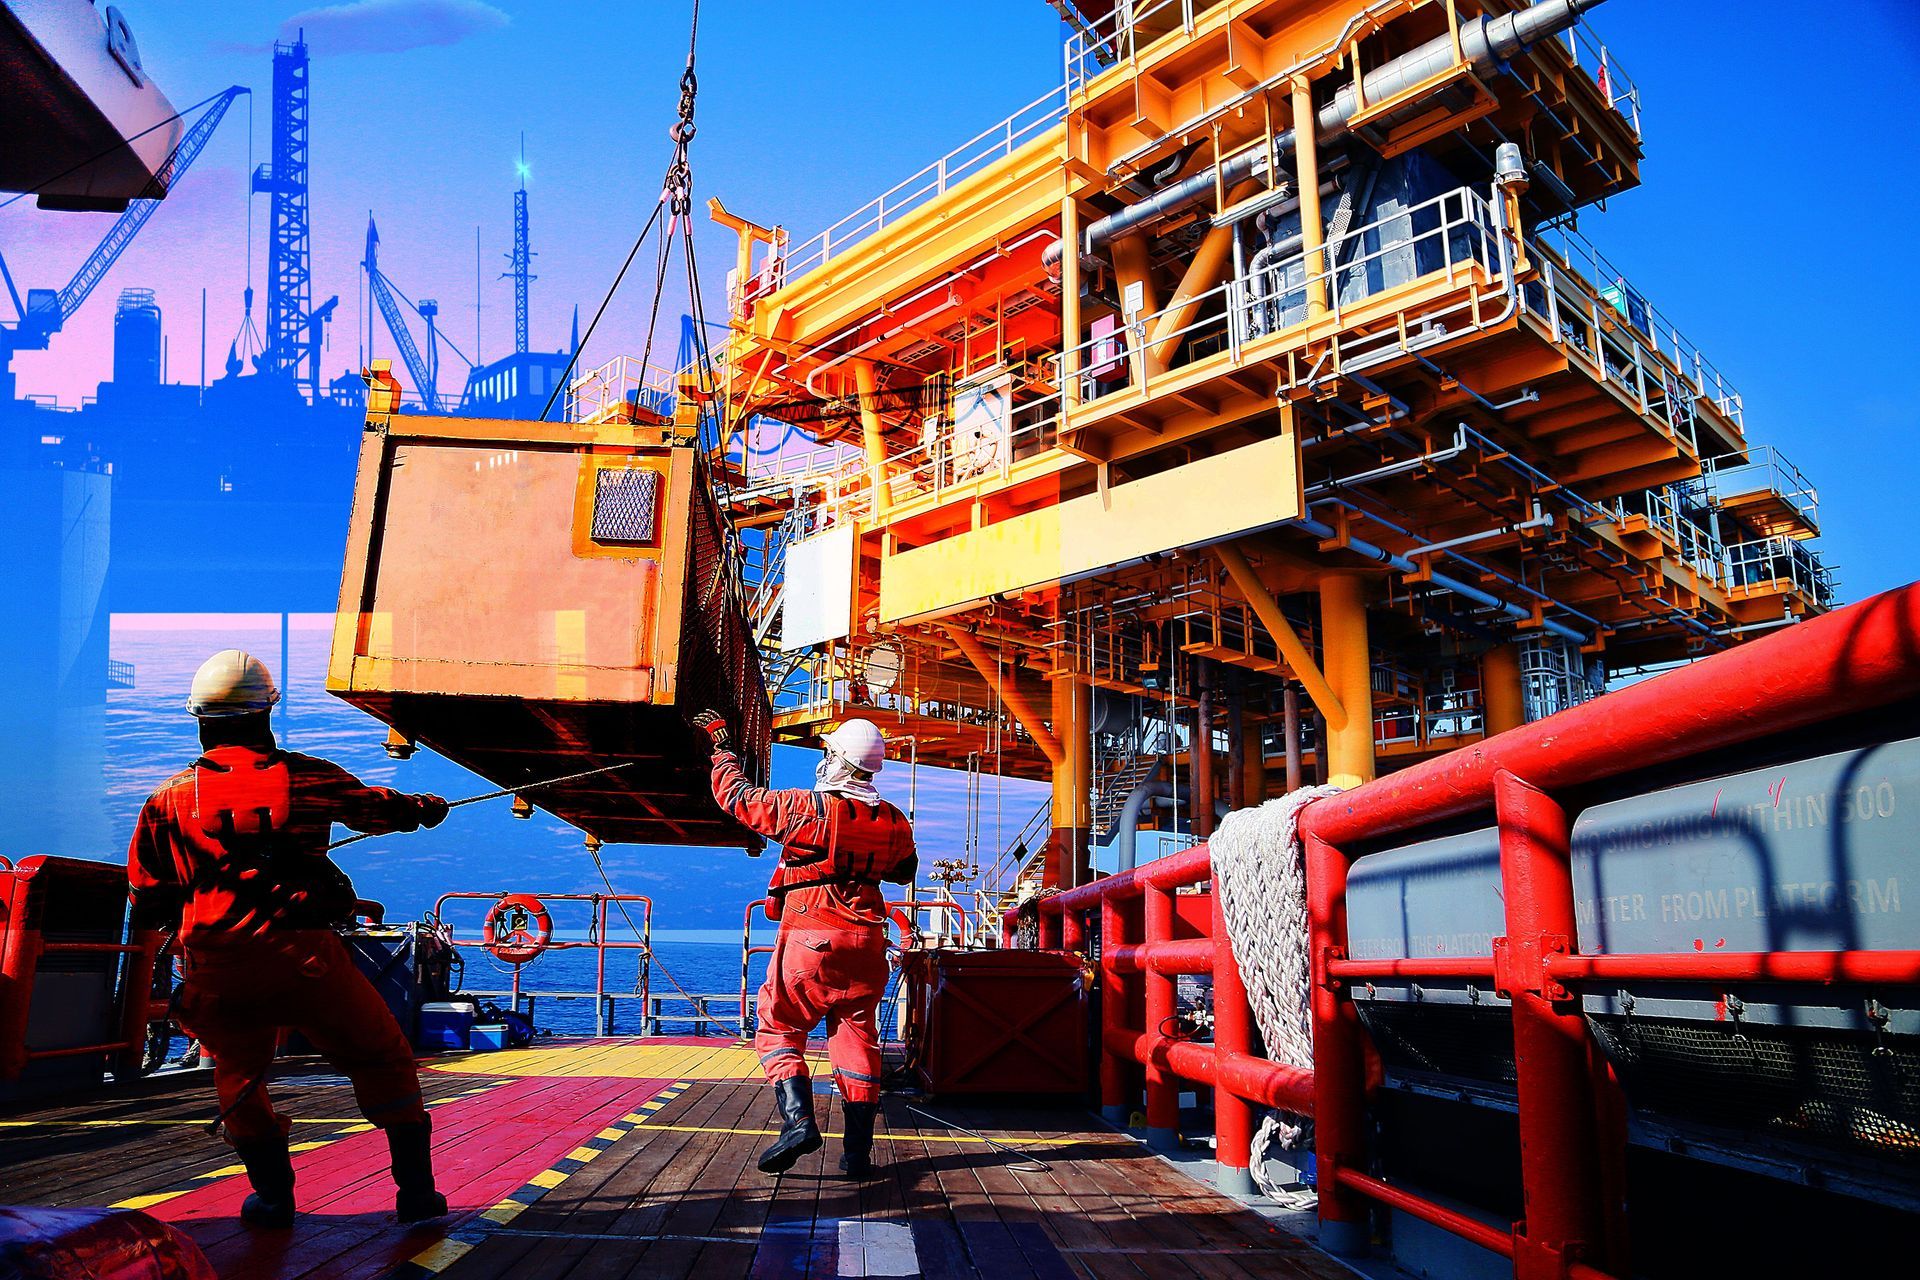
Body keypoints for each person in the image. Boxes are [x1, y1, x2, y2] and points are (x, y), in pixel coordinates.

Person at [126, 650, 453, 1228]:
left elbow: (147, 894)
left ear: (200, 719)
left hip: (219, 967)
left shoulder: (167, 800)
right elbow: (378, 810)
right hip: (305, 961)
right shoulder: (309, 777)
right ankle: (416, 1197)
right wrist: (424, 809)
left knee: (239, 1074)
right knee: (383, 1059)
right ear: (266, 713)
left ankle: (274, 1199)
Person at [693, 712, 916, 1178]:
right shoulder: (895, 820)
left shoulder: (810, 809)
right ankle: (857, 1154)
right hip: (868, 946)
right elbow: (904, 870)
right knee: (857, 1042)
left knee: (779, 1028)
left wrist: (722, 749)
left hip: (811, 941)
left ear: (835, 760)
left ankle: (798, 1123)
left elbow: (738, 799)